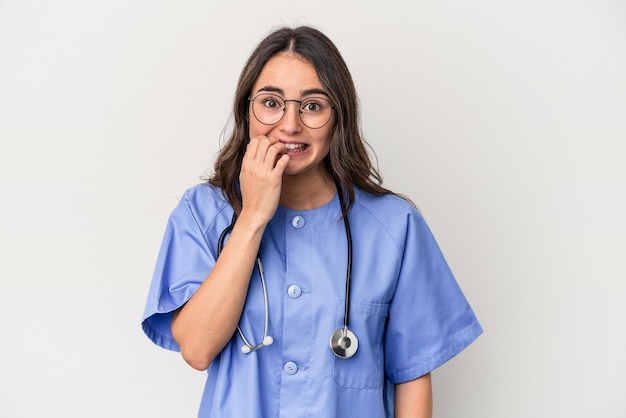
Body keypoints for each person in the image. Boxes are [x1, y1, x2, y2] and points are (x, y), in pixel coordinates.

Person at [142, 26, 482, 417]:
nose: (289, 125)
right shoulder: (202, 213)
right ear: (246, 110)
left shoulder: (395, 226)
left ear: (339, 116)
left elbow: (413, 375)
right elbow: (197, 349)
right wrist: (252, 217)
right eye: (271, 103)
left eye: (312, 106)